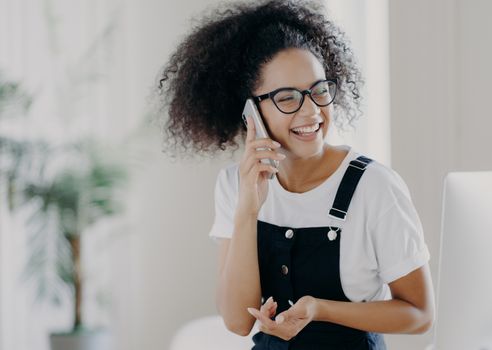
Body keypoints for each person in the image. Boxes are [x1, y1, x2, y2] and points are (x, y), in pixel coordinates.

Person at [157, 1, 435, 349]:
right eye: (287, 98)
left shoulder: (375, 186)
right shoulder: (234, 185)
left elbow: (420, 314)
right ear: (250, 112)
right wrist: (248, 209)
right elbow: (237, 321)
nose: (312, 111)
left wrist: (320, 309)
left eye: (319, 91)